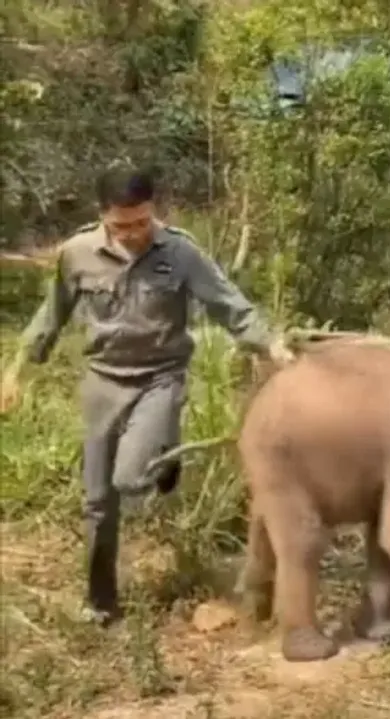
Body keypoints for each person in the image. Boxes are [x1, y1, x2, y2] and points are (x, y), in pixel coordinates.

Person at [0, 166, 295, 626]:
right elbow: (50, 314)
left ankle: (163, 452)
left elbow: (227, 302)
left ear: (152, 211)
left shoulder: (179, 251)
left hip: (160, 376)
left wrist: (271, 343)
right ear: (103, 217)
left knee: (130, 479)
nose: (135, 233)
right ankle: (100, 602)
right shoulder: (77, 253)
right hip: (103, 380)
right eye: (124, 226)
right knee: (98, 502)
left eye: (142, 222)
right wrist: (14, 371)